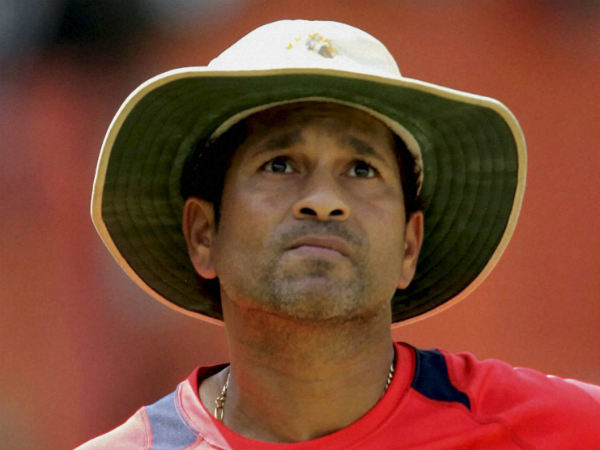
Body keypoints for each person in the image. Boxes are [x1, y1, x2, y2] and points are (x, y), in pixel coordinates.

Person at [78, 20, 600, 449]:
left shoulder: (562, 430)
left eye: (362, 169)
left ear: (409, 246)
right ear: (203, 234)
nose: (324, 200)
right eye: (280, 164)